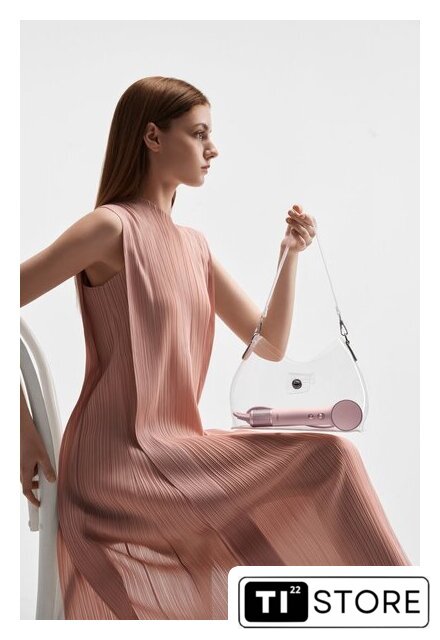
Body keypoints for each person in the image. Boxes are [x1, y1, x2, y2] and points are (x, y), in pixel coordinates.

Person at [20, 76, 411, 621]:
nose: (214, 148)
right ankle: (406, 613)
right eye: (199, 133)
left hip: (178, 450)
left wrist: (290, 255)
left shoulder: (194, 247)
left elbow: (268, 344)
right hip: (117, 465)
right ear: (153, 137)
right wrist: (23, 431)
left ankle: (391, 613)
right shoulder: (109, 229)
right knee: (331, 457)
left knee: (328, 459)